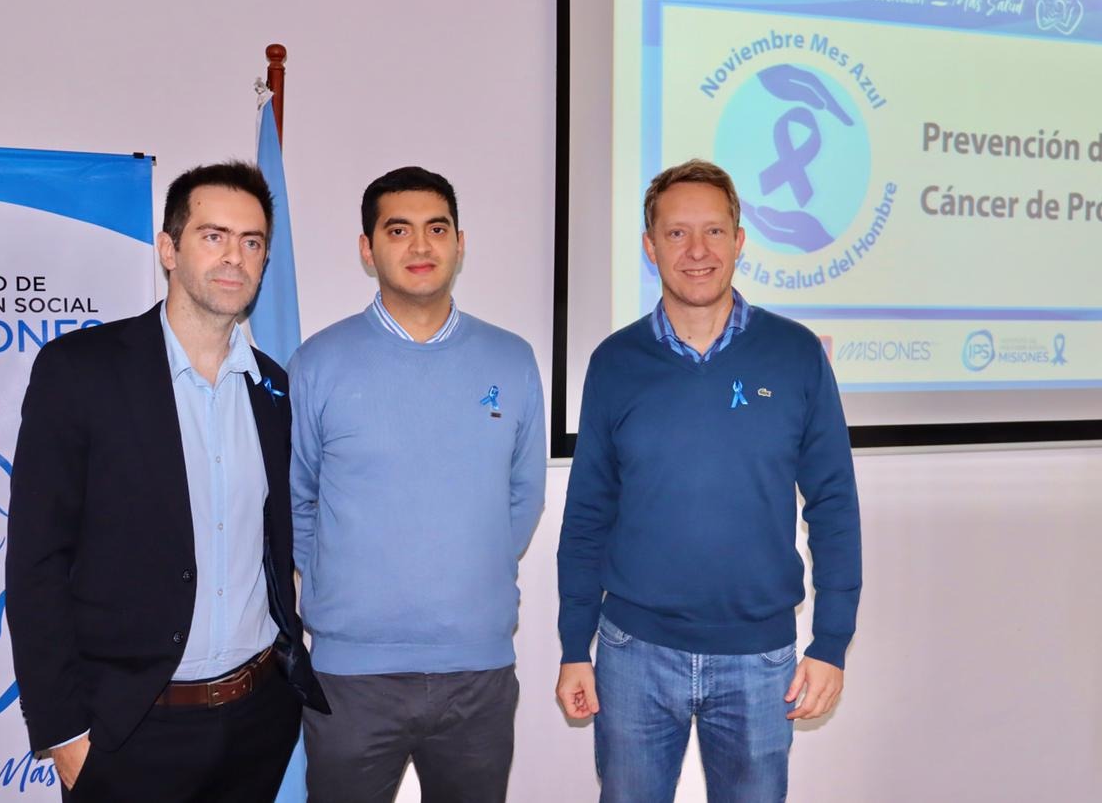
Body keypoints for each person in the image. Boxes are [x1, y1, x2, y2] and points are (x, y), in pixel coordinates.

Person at [5, 161, 329, 802]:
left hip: (257, 720)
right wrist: (63, 730)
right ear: (168, 249)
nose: (234, 256)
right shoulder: (81, 372)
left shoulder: (273, 388)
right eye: (213, 236)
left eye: (252, 241)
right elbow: (37, 562)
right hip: (129, 732)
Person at [556, 158, 862, 802]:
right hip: (633, 654)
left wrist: (832, 641)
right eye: (676, 233)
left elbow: (833, 504)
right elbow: (587, 514)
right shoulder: (614, 362)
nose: (697, 251)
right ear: (650, 247)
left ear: (739, 240)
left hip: (760, 660)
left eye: (714, 231)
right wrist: (574, 646)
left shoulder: (796, 354)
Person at [290, 165, 545, 803]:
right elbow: (297, 499)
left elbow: (522, 496)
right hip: (351, 678)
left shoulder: (512, 359)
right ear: (367, 248)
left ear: (460, 243)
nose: (421, 246)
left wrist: (469, 569)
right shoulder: (318, 362)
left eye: (437, 228)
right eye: (398, 230)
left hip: (477, 672)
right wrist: (344, 586)